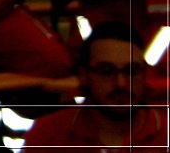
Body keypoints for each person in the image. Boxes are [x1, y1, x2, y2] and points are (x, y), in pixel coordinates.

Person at [21, 22, 167, 150]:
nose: (121, 83)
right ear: (84, 75)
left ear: (145, 74)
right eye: (106, 72)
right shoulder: (49, 135)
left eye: (132, 71)